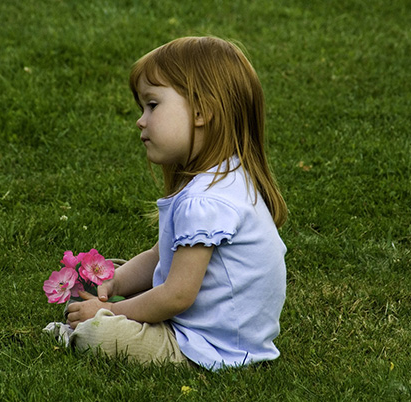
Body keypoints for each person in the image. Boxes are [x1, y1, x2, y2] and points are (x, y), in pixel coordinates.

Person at [65, 36, 288, 370]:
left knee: (98, 334)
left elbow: (177, 296)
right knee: (100, 279)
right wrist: (113, 282)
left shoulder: (205, 201)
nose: (141, 120)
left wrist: (108, 311)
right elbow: (160, 255)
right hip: (221, 332)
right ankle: (98, 304)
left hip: (209, 348)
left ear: (201, 112)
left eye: (152, 105)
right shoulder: (227, 178)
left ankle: (77, 329)